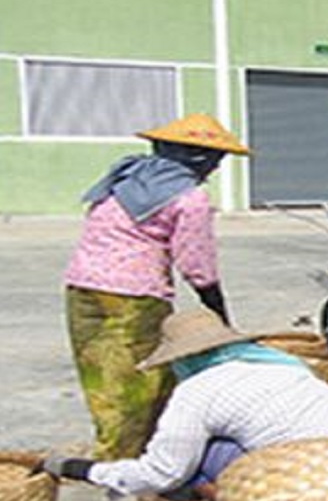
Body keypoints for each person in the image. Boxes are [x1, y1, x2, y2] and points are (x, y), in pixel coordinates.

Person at [42, 309, 328, 501]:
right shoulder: (278, 361)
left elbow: (162, 474)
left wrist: (82, 469)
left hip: (301, 479)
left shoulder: (196, 392)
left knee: (200, 457)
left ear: (180, 358)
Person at [62, 113, 248, 461]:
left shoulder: (124, 178)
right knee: (143, 381)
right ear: (198, 157)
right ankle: (129, 464)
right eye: (215, 159)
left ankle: (113, 449)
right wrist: (219, 311)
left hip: (81, 286)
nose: (216, 167)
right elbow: (196, 263)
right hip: (133, 298)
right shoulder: (190, 198)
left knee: (101, 376)